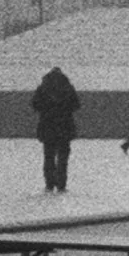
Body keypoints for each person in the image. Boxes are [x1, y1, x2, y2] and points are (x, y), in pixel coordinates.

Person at [31, 65, 80, 193]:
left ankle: (49, 184)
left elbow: (35, 104)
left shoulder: (43, 88)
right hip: (64, 126)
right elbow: (76, 105)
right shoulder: (67, 88)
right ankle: (61, 185)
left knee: (49, 157)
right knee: (63, 158)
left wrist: (47, 109)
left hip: (48, 127)